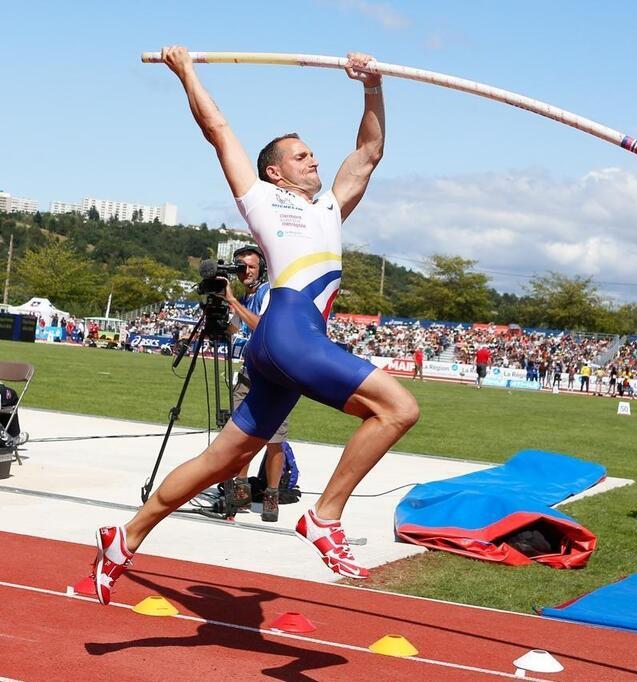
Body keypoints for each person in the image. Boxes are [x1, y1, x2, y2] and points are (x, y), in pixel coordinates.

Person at [90, 45, 419, 605]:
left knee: (227, 458)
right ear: (274, 171)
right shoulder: (261, 199)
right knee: (398, 409)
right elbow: (216, 127)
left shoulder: (331, 209)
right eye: (300, 156)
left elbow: (369, 150)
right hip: (289, 331)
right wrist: (185, 71)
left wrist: (371, 84)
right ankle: (325, 515)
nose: (313, 160)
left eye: (313, 154)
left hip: (282, 348)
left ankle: (125, 537)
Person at [219, 244, 287, 522]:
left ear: (261, 269)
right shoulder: (246, 297)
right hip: (247, 372)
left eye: (250, 266)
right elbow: (234, 329)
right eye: (240, 267)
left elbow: (262, 325)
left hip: (274, 375)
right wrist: (222, 306)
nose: (244, 271)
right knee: (240, 436)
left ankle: (272, 495)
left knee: (275, 439)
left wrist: (233, 301)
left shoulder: (268, 292)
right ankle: (240, 492)